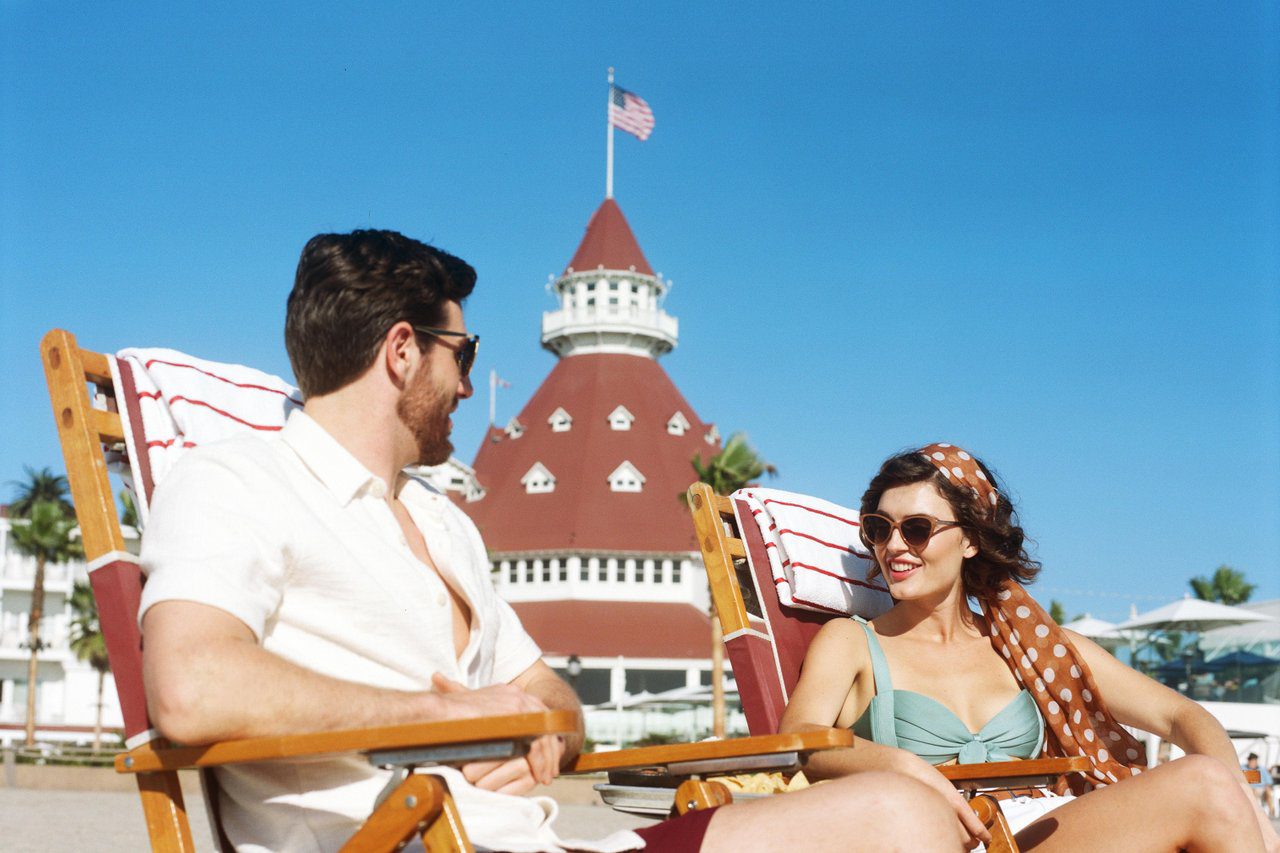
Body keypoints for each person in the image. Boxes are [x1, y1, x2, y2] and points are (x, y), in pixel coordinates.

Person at [138, 230, 967, 853]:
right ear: (401, 352)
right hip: (402, 837)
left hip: (538, 843)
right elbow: (188, 684)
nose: (468, 382)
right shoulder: (238, 480)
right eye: (461, 353)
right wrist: (444, 717)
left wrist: (545, 727)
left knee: (901, 816)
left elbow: (549, 691)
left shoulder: (443, 522)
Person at [780, 443, 1280, 851]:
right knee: (1203, 789)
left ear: (971, 540)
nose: (894, 546)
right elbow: (798, 740)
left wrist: (1239, 788)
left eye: (917, 529)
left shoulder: (1025, 646)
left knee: (1217, 785)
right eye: (879, 528)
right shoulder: (853, 641)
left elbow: (1183, 717)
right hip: (948, 837)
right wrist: (904, 766)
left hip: (1042, 828)